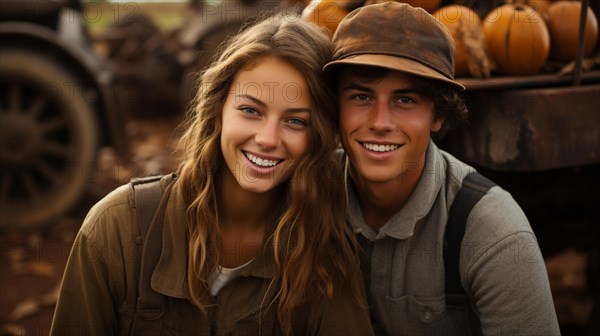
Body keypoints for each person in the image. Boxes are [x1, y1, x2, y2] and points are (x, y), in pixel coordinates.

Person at [51, 13, 373, 335]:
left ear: (318, 136)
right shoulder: (115, 228)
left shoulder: (324, 253)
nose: (268, 139)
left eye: (296, 121)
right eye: (250, 110)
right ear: (218, 110)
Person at [323, 2, 560, 335]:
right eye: (361, 97)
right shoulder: (309, 193)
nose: (380, 122)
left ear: (438, 115)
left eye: (405, 100)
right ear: (335, 106)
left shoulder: (492, 232)